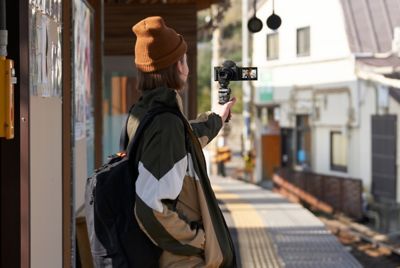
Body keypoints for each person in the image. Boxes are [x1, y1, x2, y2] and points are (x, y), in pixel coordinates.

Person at [129, 16, 237, 267]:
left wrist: (216, 119)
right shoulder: (165, 124)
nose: (187, 67)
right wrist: (199, 242)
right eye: (184, 59)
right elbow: (150, 208)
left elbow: (184, 139)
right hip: (183, 262)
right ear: (177, 66)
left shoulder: (147, 113)